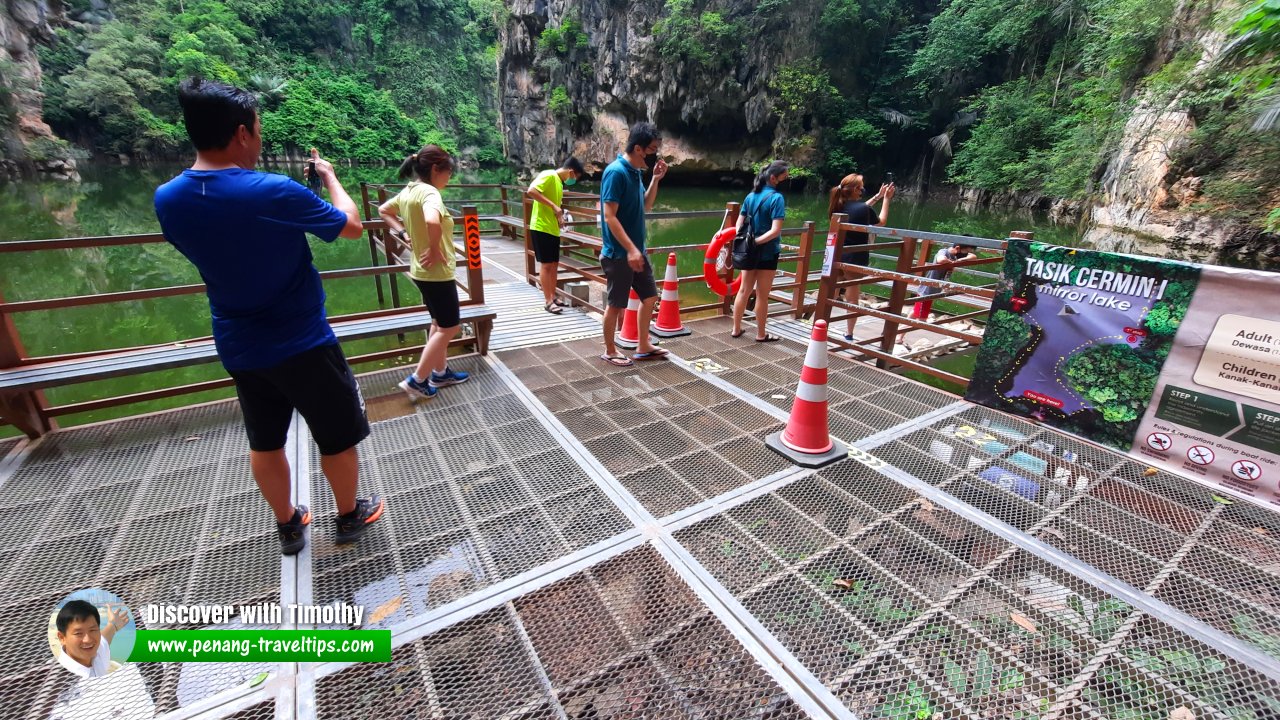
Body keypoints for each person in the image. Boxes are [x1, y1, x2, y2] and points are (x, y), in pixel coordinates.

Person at [154, 78, 384, 556]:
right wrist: (331, 180)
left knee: (265, 440)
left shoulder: (168, 199)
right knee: (337, 436)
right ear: (241, 133)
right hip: (303, 340)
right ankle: (348, 515)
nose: (259, 141)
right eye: (258, 130)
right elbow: (351, 227)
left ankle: (289, 524)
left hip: (240, 344)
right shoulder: (272, 191)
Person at [379, 145, 472, 400]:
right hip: (437, 271)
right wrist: (433, 247)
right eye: (449, 172)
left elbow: (384, 210)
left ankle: (440, 373)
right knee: (450, 327)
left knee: (437, 323)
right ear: (435, 169)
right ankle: (418, 379)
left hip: (420, 270)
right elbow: (432, 220)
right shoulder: (430, 193)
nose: (449, 178)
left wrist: (403, 233)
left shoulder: (410, 190)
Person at [598, 122, 669, 366]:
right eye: (652, 149)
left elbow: (645, 206)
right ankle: (609, 350)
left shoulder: (636, 172)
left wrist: (656, 180)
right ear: (638, 148)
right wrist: (629, 249)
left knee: (650, 296)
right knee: (616, 304)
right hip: (619, 254)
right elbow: (609, 216)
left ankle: (643, 344)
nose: (654, 154)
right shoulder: (616, 172)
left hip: (636, 251)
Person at [827, 174, 895, 340]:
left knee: (831, 293)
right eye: (861, 187)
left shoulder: (837, 205)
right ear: (857, 190)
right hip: (855, 257)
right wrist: (886, 199)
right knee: (852, 298)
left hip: (836, 255)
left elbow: (861, 209)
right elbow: (881, 221)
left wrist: (877, 197)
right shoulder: (862, 209)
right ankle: (849, 333)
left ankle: (821, 325)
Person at [730, 161, 789, 342]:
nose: (786, 179)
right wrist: (757, 242)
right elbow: (775, 230)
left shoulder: (751, 196)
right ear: (773, 178)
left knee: (743, 290)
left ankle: (736, 329)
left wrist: (747, 240)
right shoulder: (777, 198)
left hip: (748, 252)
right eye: (784, 177)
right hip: (767, 252)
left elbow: (739, 223)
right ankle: (761, 334)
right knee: (762, 296)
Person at [527, 157, 587, 314]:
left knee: (553, 265)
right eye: (576, 177)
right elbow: (531, 190)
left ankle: (553, 296)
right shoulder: (549, 175)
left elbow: (556, 209)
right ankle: (547, 301)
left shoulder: (559, 183)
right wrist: (554, 206)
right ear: (571, 172)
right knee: (546, 265)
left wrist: (560, 218)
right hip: (541, 227)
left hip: (552, 228)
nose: (574, 180)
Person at [55, 600, 126, 678]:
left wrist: (113, 624)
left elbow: (105, 637)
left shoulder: (97, 652)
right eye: (78, 633)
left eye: (92, 630)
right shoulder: (61, 679)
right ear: (62, 638)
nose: (88, 640)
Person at [912, 243, 978, 320]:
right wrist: (952, 262)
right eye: (966, 251)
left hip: (933, 290)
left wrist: (960, 259)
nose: (966, 253)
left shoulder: (956, 256)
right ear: (957, 248)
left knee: (915, 312)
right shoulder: (944, 251)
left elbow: (974, 257)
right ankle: (899, 330)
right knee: (921, 318)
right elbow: (941, 260)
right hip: (927, 290)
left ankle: (899, 330)